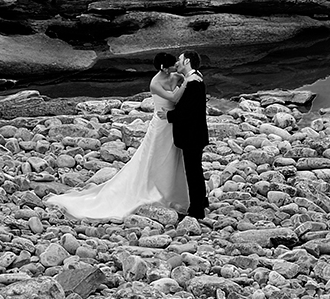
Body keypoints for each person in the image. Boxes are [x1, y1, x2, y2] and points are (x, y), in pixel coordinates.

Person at [45, 52, 190, 220]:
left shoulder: (177, 77)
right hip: (160, 125)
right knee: (155, 157)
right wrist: (189, 81)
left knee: (173, 157)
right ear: (164, 68)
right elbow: (173, 97)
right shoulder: (155, 83)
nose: (176, 66)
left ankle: (173, 191)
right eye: (172, 64)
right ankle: (155, 190)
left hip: (173, 122)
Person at [165, 49, 210, 219]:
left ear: (187, 61)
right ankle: (202, 201)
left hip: (192, 136)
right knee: (195, 170)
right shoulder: (195, 77)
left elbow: (187, 111)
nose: (177, 62)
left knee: (193, 172)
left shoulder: (193, 83)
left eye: (180, 59)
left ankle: (196, 210)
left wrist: (168, 115)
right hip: (195, 134)